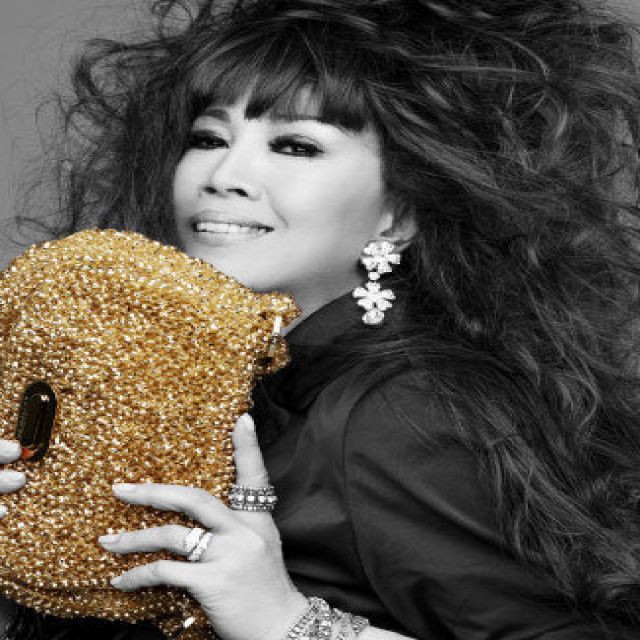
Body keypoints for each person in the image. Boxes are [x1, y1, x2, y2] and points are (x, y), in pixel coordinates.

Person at [1, 0, 640, 638]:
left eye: (296, 146)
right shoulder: (191, 381)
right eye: (209, 139)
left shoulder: (402, 415)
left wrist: (283, 620)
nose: (224, 175)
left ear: (399, 213)